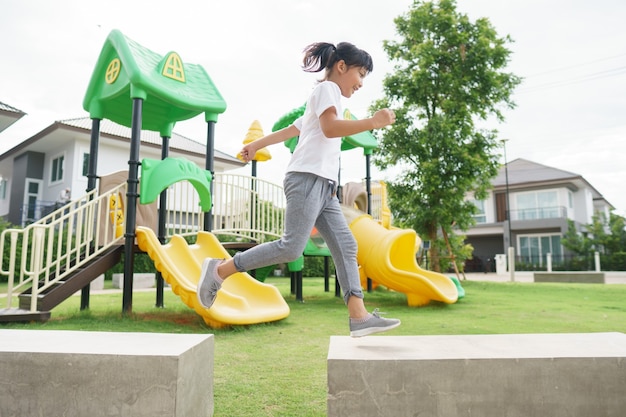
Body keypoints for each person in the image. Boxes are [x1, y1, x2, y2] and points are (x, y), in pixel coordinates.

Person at [197, 41, 400, 337]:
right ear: (341, 67)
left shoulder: (323, 99)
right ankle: (218, 271)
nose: (361, 83)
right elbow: (330, 129)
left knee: (346, 245)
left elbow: (293, 130)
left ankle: (359, 317)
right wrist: (372, 122)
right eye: (361, 74)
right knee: (292, 247)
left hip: (324, 186)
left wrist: (256, 144)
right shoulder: (327, 90)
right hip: (306, 178)